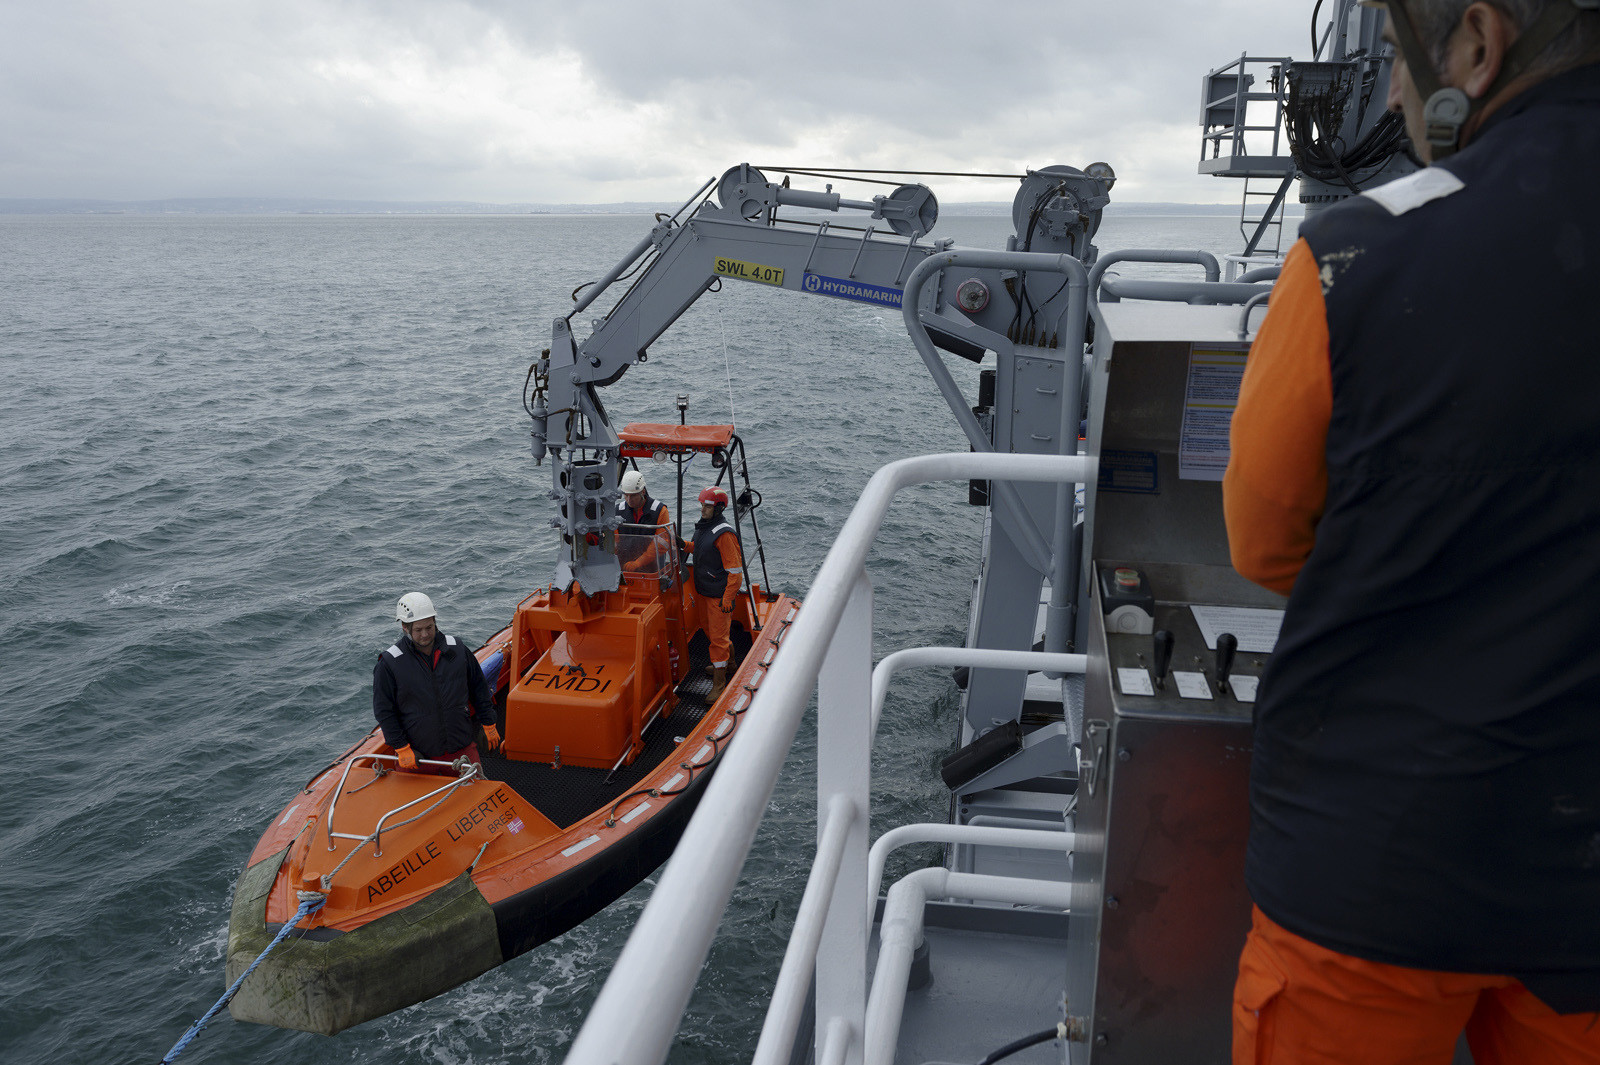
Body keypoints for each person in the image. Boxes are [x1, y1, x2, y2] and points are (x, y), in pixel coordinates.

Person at [1223, 2, 1600, 1061]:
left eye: (1396, 58)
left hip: (1376, 861)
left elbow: (1263, 543)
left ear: (1476, 44)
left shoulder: (1352, 256)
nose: (1391, 94)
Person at [373, 592, 501, 772]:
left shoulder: (457, 649)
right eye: (418, 630)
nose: (425, 634)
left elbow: (479, 687)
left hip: (461, 750)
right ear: (404, 627)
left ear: (435, 621)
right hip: (417, 757)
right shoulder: (390, 664)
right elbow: (384, 711)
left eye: (429, 627)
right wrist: (401, 747)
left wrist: (489, 722)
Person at [687, 486, 743, 701]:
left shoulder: (725, 534)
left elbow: (735, 572)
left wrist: (728, 598)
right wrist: (686, 546)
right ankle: (729, 664)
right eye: (702, 505)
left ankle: (719, 684)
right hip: (704, 591)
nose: (703, 509)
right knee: (710, 630)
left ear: (718, 508)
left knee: (718, 640)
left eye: (707, 506)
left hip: (718, 597)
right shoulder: (706, 528)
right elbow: (703, 549)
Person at [616, 468, 672, 575]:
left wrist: (638, 563)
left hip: (653, 569)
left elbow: (662, 543)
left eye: (633, 495)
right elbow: (614, 540)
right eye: (626, 495)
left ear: (643, 492)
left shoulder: (660, 511)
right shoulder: (618, 510)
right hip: (625, 566)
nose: (629, 500)